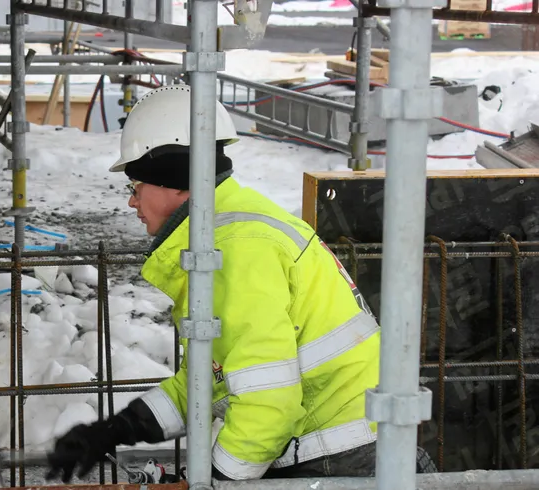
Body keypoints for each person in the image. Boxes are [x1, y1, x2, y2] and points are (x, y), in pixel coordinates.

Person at [44, 85, 438, 482]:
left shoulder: (235, 250)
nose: (132, 202)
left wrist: (217, 481)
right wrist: (116, 430)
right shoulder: (232, 230)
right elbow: (210, 379)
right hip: (342, 443)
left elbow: (269, 404)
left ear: (175, 180)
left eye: (136, 186)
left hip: (339, 458)